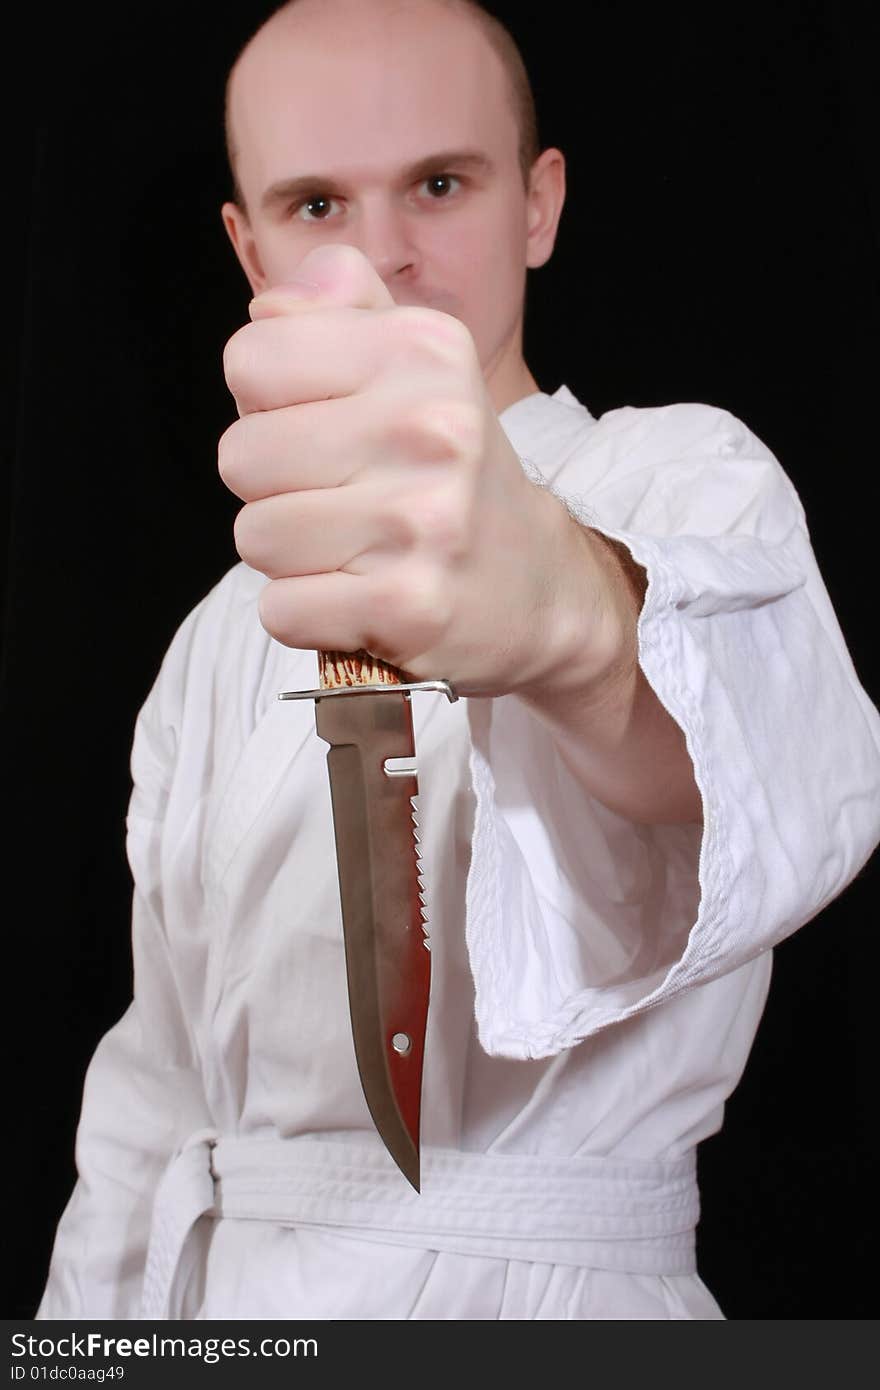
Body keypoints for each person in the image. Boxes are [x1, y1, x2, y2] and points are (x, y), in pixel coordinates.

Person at [36, 0, 880, 1320]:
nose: (383, 254)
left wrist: (574, 619)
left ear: (538, 206)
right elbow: (151, 1092)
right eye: (316, 203)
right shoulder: (212, 637)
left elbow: (773, 766)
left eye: (440, 183)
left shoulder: (681, 488)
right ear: (246, 245)